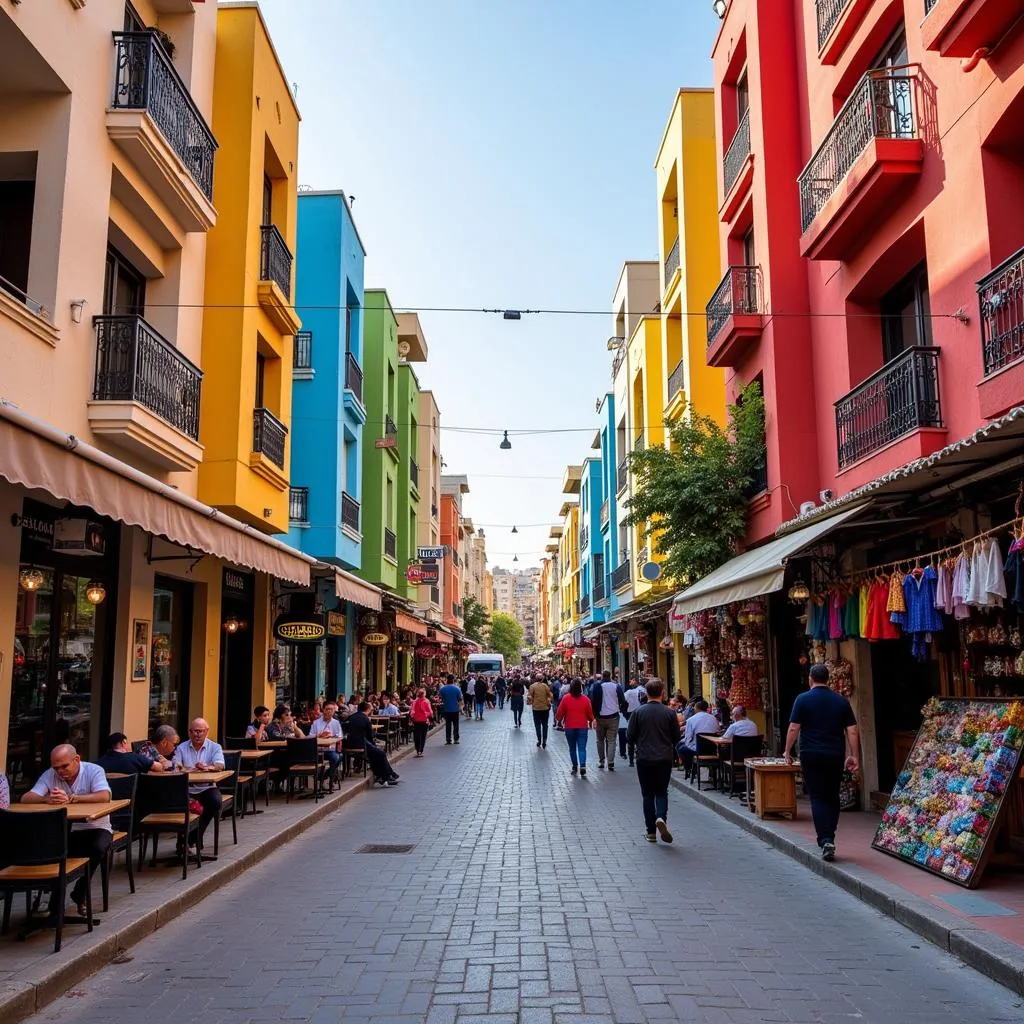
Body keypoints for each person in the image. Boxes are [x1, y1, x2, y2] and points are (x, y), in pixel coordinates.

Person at [23, 744, 112, 915]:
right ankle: (54, 905)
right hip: (67, 830)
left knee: (98, 847)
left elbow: (105, 795)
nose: (60, 771)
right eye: (56, 767)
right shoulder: (50, 775)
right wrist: (47, 799)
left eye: (65, 766)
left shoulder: (93, 770)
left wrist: (73, 799)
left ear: (77, 759)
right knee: (56, 850)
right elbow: (27, 798)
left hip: (96, 827)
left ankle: (79, 892)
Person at [785, 663, 859, 862]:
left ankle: (825, 839)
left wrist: (787, 750)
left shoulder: (802, 699)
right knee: (832, 795)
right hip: (835, 754)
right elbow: (852, 730)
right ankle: (830, 835)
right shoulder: (840, 701)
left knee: (817, 797)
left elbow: (794, 728)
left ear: (810, 679)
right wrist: (854, 754)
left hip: (810, 754)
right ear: (828, 679)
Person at [626, 678, 680, 843]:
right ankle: (661, 817)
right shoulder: (670, 713)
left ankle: (650, 832)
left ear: (646, 694)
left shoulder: (638, 713)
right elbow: (676, 737)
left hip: (644, 758)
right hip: (664, 757)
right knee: (661, 792)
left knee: (647, 795)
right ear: (662, 693)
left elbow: (629, 737)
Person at [172, 718, 224, 851]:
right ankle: (189, 840)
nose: (197, 734)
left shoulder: (215, 747)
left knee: (215, 801)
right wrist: (188, 769)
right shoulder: (182, 748)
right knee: (174, 801)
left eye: (200, 731)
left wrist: (207, 767)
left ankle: (192, 837)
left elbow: (220, 765)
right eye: (194, 731)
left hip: (207, 787)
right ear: (189, 732)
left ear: (206, 731)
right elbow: (175, 767)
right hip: (186, 789)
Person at [343, 701, 400, 785]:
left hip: (347, 743)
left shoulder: (351, 717)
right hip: (360, 743)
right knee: (380, 754)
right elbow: (370, 736)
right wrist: (374, 745)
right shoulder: (366, 719)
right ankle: (387, 776)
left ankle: (385, 776)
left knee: (375, 754)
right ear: (367, 710)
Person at [555, 679, 595, 777]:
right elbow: (590, 714)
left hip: (570, 727)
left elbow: (559, 713)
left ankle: (574, 766)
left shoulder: (566, 698)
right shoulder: (585, 699)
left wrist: (558, 720)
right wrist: (591, 720)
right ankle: (583, 766)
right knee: (582, 748)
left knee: (572, 748)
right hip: (582, 727)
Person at [590, 669, 626, 771]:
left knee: (600, 740)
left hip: (600, 717)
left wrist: (593, 716)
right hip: (613, 717)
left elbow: (592, 701)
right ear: (610, 676)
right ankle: (611, 762)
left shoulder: (597, 686)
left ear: (602, 676)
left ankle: (601, 761)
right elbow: (622, 700)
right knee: (611, 741)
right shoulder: (616, 686)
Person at [677, 699, 719, 778]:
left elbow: (688, 738)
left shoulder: (691, 720)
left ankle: (689, 768)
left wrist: (684, 741)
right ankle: (708, 770)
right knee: (683, 746)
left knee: (680, 747)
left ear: (697, 708)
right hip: (712, 749)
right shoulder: (713, 719)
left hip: (697, 749)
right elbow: (717, 731)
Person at [97, 732, 168, 775]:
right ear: (123, 743)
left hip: (106, 798)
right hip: (132, 798)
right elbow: (159, 767)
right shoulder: (135, 758)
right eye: (127, 743)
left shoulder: (98, 764)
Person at [309, 701, 343, 782]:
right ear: (323, 710)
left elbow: (340, 736)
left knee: (336, 758)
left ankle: (325, 776)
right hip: (318, 750)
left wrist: (330, 736)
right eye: (327, 709)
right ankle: (320, 776)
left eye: (332, 709)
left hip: (330, 750)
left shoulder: (336, 722)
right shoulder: (316, 722)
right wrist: (319, 736)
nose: (329, 711)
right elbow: (310, 736)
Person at [623, 678, 646, 767]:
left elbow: (622, 700)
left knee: (631, 738)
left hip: (632, 715)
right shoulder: (645, 690)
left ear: (635, 681)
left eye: (631, 680)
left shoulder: (629, 692)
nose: (630, 682)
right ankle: (640, 755)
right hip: (643, 715)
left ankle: (631, 760)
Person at [438, 674, 463, 745]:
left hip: (446, 709)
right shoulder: (457, 689)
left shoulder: (442, 689)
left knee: (448, 725)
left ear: (447, 680)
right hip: (455, 709)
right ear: (453, 680)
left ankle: (448, 739)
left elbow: (440, 698)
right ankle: (456, 739)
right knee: (456, 725)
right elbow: (460, 699)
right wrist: (461, 708)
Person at [409, 688, 434, 756]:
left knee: (417, 736)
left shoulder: (414, 701)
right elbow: (430, 712)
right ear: (424, 694)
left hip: (416, 721)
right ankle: (421, 751)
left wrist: (412, 717)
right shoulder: (426, 701)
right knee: (423, 736)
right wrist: (428, 715)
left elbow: (412, 712)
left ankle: (417, 750)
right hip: (424, 721)